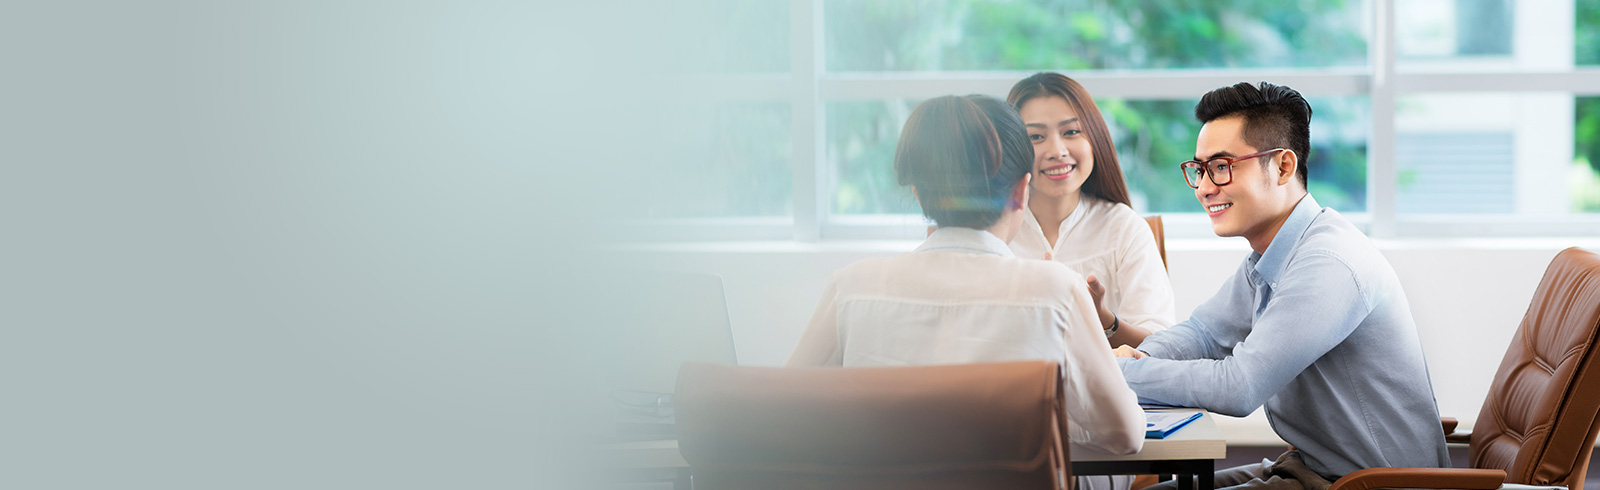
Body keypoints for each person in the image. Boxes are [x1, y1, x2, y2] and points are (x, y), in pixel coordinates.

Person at [1114, 82, 1450, 490]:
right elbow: (1203, 333)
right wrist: (1141, 354)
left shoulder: (1328, 261)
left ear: (1283, 167)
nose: (1203, 187)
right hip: (1309, 470)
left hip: (1369, 485)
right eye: (1199, 169)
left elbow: (1240, 386)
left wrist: (1117, 373)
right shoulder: (1270, 256)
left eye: (1222, 166)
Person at [786, 94, 1144, 457]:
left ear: (918, 194)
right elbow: (1125, 436)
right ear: (1022, 191)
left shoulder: (850, 287)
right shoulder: (1057, 289)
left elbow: (786, 411)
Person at [1006, 73, 1175, 347]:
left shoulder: (1124, 228)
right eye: (1035, 136)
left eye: (1071, 132)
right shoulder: (993, 230)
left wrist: (1103, 320)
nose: (1057, 150)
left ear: (1095, 138)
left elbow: (1162, 345)